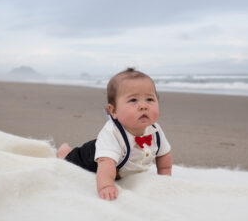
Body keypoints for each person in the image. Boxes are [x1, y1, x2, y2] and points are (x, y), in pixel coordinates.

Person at [57, 68, 172, 201]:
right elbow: (106, 163)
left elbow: (164, 154)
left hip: (121, 168)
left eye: (149, 99)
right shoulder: (111, 133)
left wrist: (165, 176)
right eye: (133, 100)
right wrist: (106, 186)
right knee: (69, 161)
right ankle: (64, 152)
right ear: (113, 111)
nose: (143, 106)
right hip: (92, 158)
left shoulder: (155, 130)